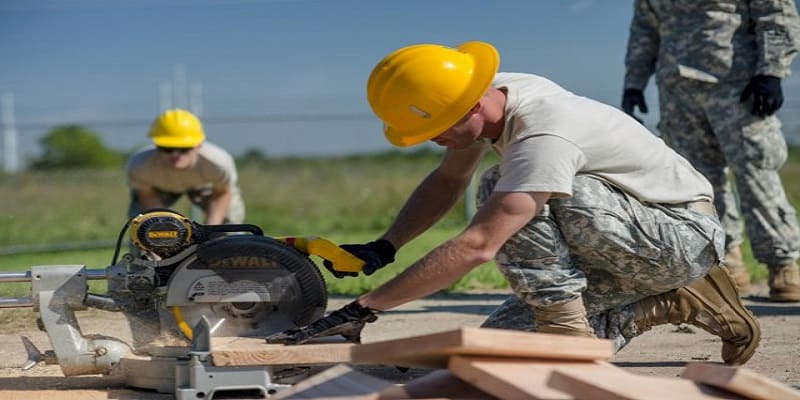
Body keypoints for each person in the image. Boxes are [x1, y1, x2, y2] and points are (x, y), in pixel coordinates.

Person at [266, 41, 760, 365]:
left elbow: (481, 243)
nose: (431, 139)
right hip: (624, 237)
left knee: (504, 190)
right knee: (496, 356)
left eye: (434, 128)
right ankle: (675, 300)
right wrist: (386, 245)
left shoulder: (545, 131)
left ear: (473, 106)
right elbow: (445, 182)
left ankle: (569, 329)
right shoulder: (494, 95)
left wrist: (365, 308)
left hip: (680, 235)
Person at [621, 0, 800, 302]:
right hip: (678, 91)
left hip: (737, 83)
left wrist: (771, 70)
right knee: (698, 184)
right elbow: (646, 29)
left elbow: (775, 13)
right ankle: (724, 265)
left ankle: (783, 264)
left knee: (756, 171)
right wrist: (634, 83)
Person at [126, 108, 245, 225]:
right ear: (156, 145)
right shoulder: (140, 166)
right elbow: (147, 196)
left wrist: (212, 231)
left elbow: (221, 193)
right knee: (144, 227)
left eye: (184, 149)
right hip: (159, 189)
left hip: (205, 186)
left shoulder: (218, 164)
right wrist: (163, 227)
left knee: (229, 229)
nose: (175, 155)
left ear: (199, 146)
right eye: (167, 148)